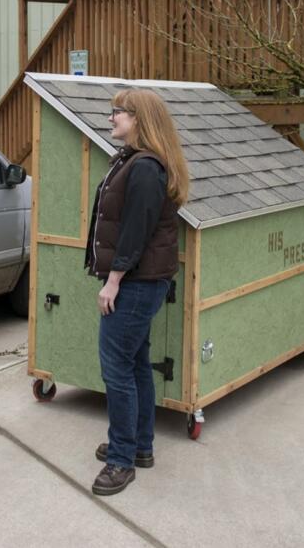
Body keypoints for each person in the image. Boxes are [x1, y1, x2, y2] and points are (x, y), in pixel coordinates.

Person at [85, 87, 190, 496]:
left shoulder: (145, 167)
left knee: (116, 369)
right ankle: (140, 445)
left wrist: (113, 280)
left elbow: (134, 232)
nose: (111, 118)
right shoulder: (132, 161)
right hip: (142, 281)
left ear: (139, 119)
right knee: (135, 364)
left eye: (119, 112)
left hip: (135, 282)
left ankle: (122, 460)